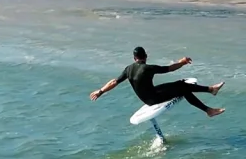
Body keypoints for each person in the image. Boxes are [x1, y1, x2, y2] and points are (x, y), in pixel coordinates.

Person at [90, 46, 225, 117]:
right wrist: (182, 62)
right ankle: (209, 104)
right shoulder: (148, 68)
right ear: (146, 56)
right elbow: (170, 68)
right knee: (183, 88)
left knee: (181, 85)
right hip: (154, 98)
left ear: (134, 58)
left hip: (148, 97)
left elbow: (114, 82)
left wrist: (100, 91)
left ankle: (210, 93)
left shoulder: (128, 69)